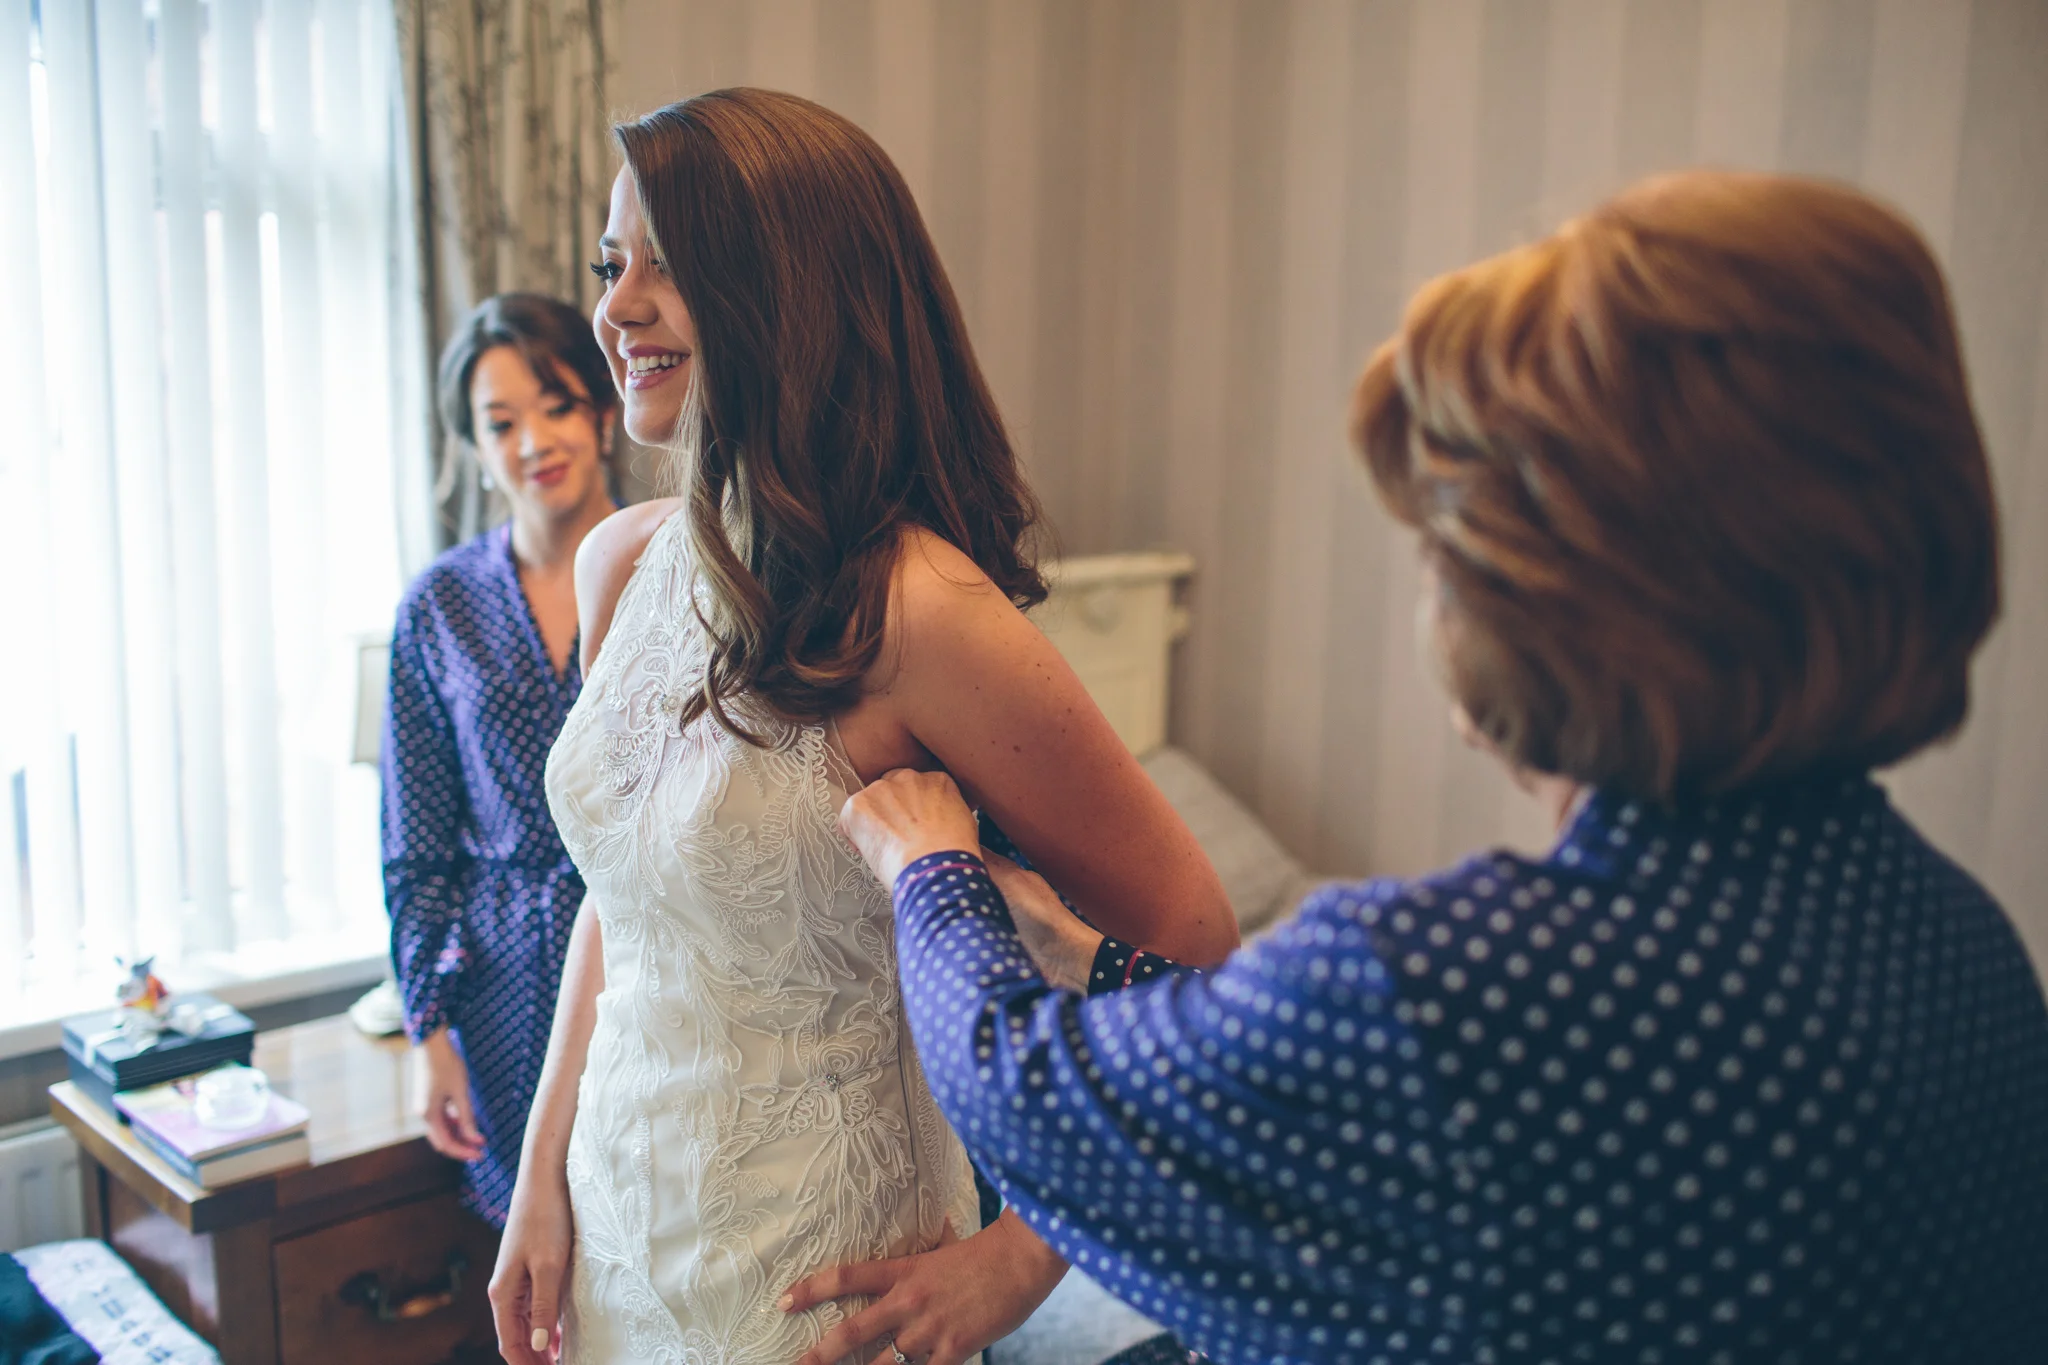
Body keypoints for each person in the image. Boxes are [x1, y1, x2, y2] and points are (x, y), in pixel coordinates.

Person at [824, 170, 2048, 1364]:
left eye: (1441, 537)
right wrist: (1095, 959)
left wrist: (934, 867)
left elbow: (1034, 1104)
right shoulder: (1960, 941)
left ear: (1561, 593)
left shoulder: (1441, 988)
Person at [486, 88, 1241, 1365]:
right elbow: (624, 891)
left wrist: (1017, 1262)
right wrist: (537, 1175)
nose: (614, 307)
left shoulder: (922, 611)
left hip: (811, 1283)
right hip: (616, 1240)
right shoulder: (623, 562)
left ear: (787, 286)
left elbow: (1196, 950)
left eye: (666, 264)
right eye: (614, 263)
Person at [381, 293, 621, 1226]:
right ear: (473, 446)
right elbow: (416, 844)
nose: (533, 441)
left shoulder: (678, 567)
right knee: (535, 1271)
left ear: (602, 410)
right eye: (501, 421)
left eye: (555, 404)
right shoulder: (439, 607)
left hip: (652, 963)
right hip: (500, 991)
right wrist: (427, 1028)